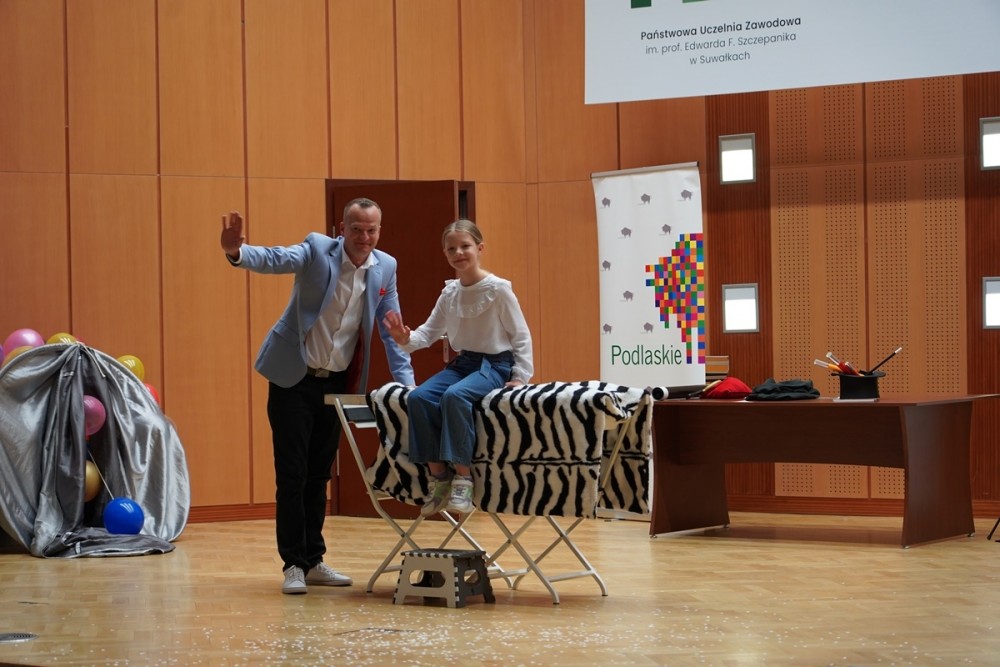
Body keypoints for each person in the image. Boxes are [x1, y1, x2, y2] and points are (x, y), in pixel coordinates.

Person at [220, 198, 415, 595]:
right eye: (356, 229)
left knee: (319, 473)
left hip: (337, 384)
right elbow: (276, 258)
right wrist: (237, 253)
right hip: (294, 377)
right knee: (292, 472)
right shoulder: (316, 249)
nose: (364, 237)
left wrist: (408, 387)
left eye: (371, 230)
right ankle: (293, 563)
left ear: (379, 231)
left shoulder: (386, 267)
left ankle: (314, 560)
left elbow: (391, 331)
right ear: (341, 229)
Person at [383, 219, 533, 516]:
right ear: (445, 253)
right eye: (451, 249)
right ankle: (439, 478)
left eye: (465, 246)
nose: (458, 253)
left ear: (480, 248)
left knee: (455, 396)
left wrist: (520, 376)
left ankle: (464, 478)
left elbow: (521, 335)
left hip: (494, 364)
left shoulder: (498, 289)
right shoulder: (450, 292)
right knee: (419, 397)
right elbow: (428, 333)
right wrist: (404, 339)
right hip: (464, 362)